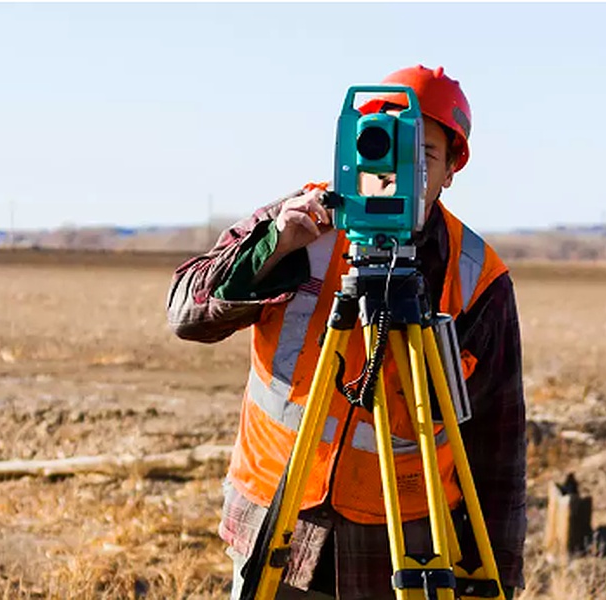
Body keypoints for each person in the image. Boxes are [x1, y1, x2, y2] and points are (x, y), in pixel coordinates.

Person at [167, 64, 527, 600]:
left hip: (400, 542)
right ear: (357, 148)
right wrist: (274, 247)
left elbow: (498, 443)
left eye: (423, 155)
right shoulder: (300, 225)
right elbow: (186, 313)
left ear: (452, 167)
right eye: (387, 148)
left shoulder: (475, 275)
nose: (400, 172)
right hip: (276, 523)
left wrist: (496, 574)